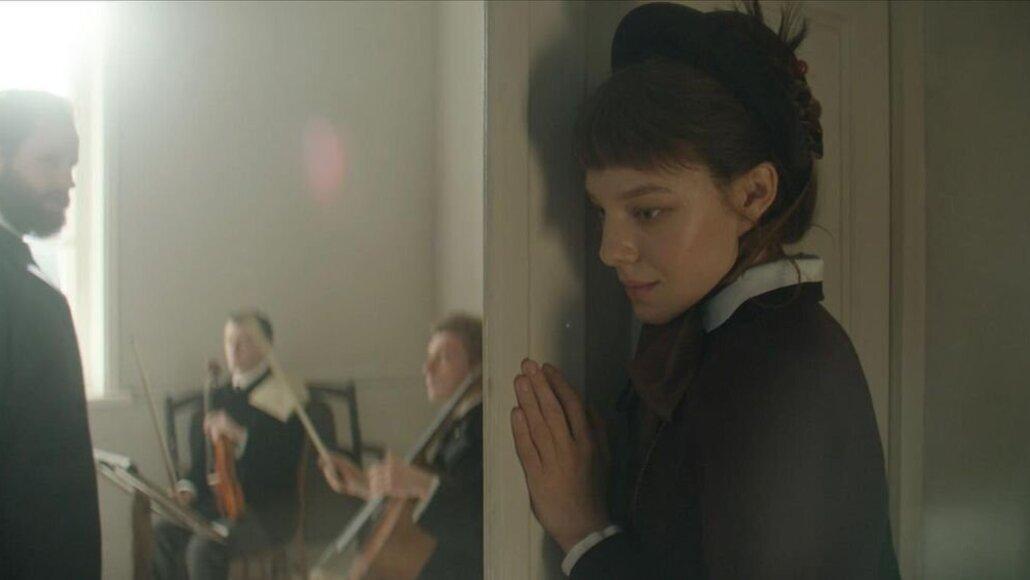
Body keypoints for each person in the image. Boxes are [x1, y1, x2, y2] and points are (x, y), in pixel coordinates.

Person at [509, 2, 901, 579]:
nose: (610, 250)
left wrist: (583, 531)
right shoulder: (737, 343)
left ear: (753, 194)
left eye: (648, 210)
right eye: (601, 211)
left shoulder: (781, 367)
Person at [0, 90, 101, 579]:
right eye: (48, 161)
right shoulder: (28, 301)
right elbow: (49, 488)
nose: (67, 180)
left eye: (71, 164)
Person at [321, 313, 483, 579]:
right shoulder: (458, 422)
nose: (427, 368)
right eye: (429, 357)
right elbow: (426, 499)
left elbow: (474, 519)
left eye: (443, 358)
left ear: (476, 367)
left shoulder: (482, 426)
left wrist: (418, 482)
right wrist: (364, 485)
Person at [152, 310, 306, 580]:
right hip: (215, 507)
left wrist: (239, 434)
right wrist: (187, 488)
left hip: (266, 511)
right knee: (162, 533)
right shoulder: (217, 396)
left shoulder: (285, 393)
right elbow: (202, 463)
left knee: (203, 548)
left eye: (244, 341)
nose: (233, 349)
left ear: (266, 346)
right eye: (229, 341)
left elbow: (285, 460)